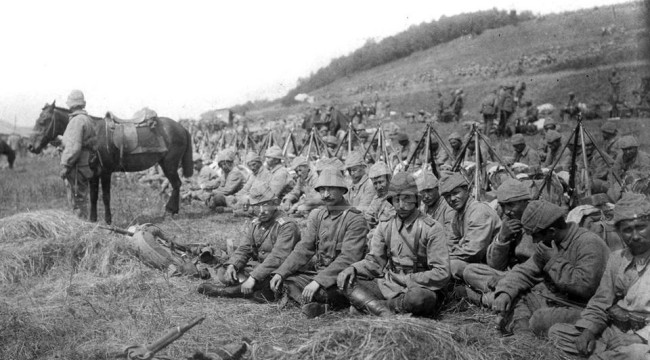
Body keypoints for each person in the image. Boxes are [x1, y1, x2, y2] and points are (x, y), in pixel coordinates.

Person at [549, 193, 650, 359]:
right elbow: (601, 301)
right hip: (617, 333)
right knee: (558, 334)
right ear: (618, 232)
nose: (636, 235)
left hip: (644, 339)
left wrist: (637, 337)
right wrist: (588, 330)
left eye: (641, 227)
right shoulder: (617, 258)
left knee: (636, 353)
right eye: (627, 230)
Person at [337, 172, 451, 317]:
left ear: (416, 199)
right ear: (390, 201)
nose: (401, 205)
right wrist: (353, 268)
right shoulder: (385, 225)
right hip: (388, 285)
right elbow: (375, 262)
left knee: (419, 298)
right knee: (346, 281)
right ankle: (383, 311)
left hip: (418, 287)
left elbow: (442, 272)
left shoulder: (432, 228)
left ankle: (372, 307)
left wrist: (408, 280)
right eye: (396, 199)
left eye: (407, 198)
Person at [492, 200, 610, 336]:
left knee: (540, 319)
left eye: (535, 236)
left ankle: (524, 329)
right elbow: (525, 271)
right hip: (559, 301)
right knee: (517, 293)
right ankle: (522, 329)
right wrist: (505, 292)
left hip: (587, 309)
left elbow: (584, 288)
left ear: (552, 231)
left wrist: (553, 260)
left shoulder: (589, 243)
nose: (535, 242)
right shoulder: (550, 243)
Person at [270, 168, 368, 318]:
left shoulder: (355, 219)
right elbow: (303, 248)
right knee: (285, 283)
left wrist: (318, 281)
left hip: (341, 278)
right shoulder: (319, 216)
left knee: (322, 292)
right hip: (319, 273)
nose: (325, 195)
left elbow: (349, 258)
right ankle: (315, 305)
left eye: (330, 189)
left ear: (342, 190)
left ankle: (324, 307)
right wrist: (281, 272)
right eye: (322, 190)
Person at [197, 184, 301, 301]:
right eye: (256, 206)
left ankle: (225, 292)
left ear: (274, 203)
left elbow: (278, 257)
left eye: (265, 204)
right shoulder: (256, 223)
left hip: (280, 270)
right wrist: (233, 265)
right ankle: (255, 291)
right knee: (224, 271)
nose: (261, 211)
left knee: (272, 281)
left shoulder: (287, 225)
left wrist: (254, 277)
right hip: (261, 266)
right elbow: (244, 248)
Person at [461, 179, 535, 306]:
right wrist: (502, 239)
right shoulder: (509, 221)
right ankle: (504, 295)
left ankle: (485, 299)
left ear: (526, 202)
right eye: (503, 205)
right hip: (508, 275)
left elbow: (539, 265)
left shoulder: (539, 223)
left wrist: (507, 278)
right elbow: (495, 265)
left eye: (511, 205)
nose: (506, 211)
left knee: (531, 293)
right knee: (470, 271)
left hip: (530, 279)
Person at [439, 173, 501, 280]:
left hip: (496, 264)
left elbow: (473, 251)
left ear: (467, 190)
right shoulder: (457, 215)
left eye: (455, 193)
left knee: (450, 266)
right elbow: (450, 242)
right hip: (478, 262)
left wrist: (444, 258)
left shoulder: (478, 211)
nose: (452, 199)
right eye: (447, 196)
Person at [59, 90, 97, 220]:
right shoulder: (88, 119)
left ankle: (79, 229)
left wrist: (65, 165)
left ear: (71, 104)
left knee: (76, 201)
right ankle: (83, 227)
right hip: (86, 165)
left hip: (76, 166)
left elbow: (74, 147)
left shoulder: (76, 121)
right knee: (81, 198)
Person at [416, 171, 455, 237]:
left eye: (429, 191)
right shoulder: (422, 208)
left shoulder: (448, 206)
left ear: (437, 189)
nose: (426, 196)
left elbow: (450, 235)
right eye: (422, 192)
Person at [364, 162, 395, 231]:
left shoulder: (396, 197)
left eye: (381, 182)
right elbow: (368, 216)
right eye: (375, 183)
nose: (378, 187)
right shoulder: (378, 197)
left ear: (388, 179)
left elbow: (392, 225)